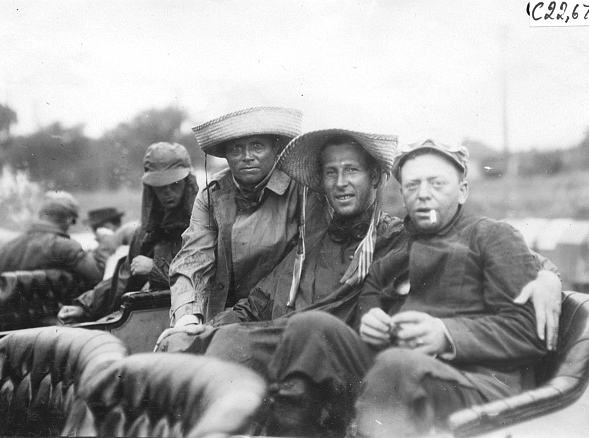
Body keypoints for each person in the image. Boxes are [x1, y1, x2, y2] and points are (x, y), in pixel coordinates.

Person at [263, 140, 552, 436]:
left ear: (462, 190)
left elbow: (529, 330)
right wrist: (371, 316)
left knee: (396, 363)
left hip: (480, 385)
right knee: (308, 327)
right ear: (403, 195)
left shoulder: (492, 236)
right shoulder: (405, 247)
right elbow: (373, 284)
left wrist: (446, 334)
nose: (423, 195)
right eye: (412, 186)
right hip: (397, 377)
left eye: (436, 184)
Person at [156, 107, 327, 346]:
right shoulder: (212, 194)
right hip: (221, 317)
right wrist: (187, 318)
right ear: (225, 154)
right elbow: (193, 259)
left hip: (283, 315)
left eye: (257, 146)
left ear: (276, 148)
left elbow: (307, 264)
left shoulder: (301, 188)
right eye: (236, 148)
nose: (247, 156)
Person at [57, 142, 199, 323]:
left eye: (175, 184)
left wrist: (155, 269)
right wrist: (84, 306)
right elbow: (124, 278)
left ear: (188, 183)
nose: (168, 192)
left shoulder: (205, 222)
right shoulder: (148, 231)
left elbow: (207, 278)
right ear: (150, 189)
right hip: (160, 318)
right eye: (160, 186)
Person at [0, 190, 111, 288]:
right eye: (73, 221)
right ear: (69, 219)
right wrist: (106, 240)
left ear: (41, 215)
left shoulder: (6, 247)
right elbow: (99, 276)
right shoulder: (65, 246)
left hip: (8, 314)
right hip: (58, 314)